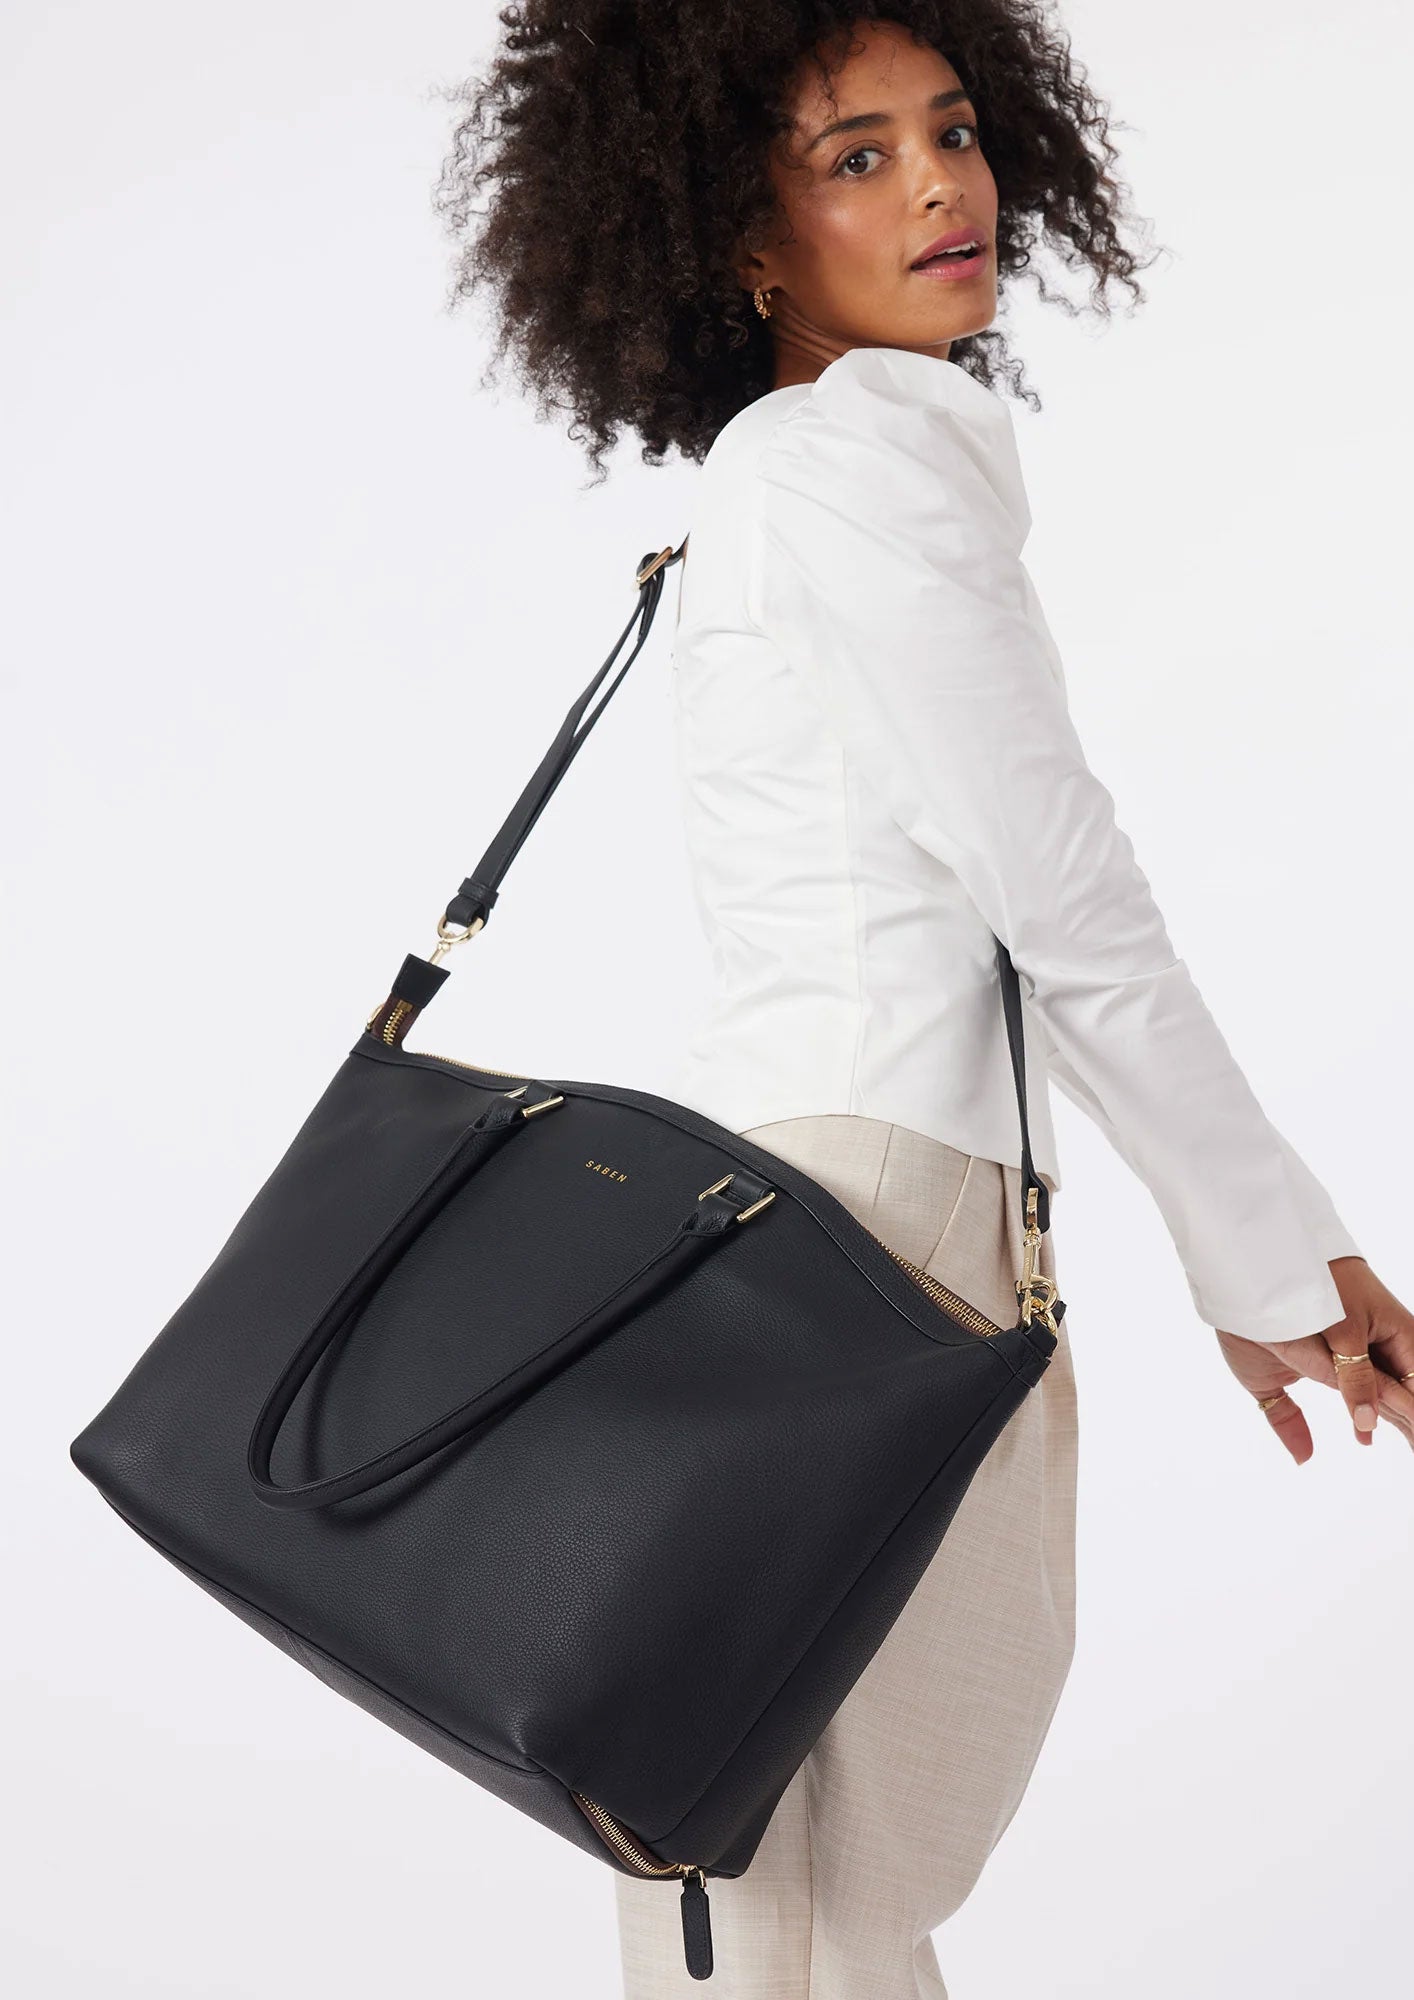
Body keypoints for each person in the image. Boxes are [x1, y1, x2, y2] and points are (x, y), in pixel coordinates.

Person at [438, 9, 1414, 1995]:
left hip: (819, 1208)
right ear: (744, 238)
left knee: (773, 1885)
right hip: (871, 1235)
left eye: (950, 132)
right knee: (799, 1899)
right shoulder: (846, 464)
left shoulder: (803, 470)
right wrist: (1264, 1253)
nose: (941, 187)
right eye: (856, 157)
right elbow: (1063, 899)